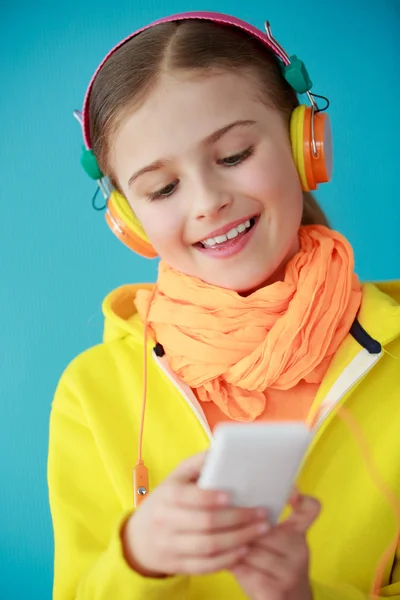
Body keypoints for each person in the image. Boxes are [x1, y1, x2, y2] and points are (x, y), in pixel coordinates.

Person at [47, 11, 400, 600]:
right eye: (162, 188)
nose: (208, 201)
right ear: (129, 222)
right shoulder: (92, 395)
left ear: (305, 146)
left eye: (234, 154)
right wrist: (136, 559)